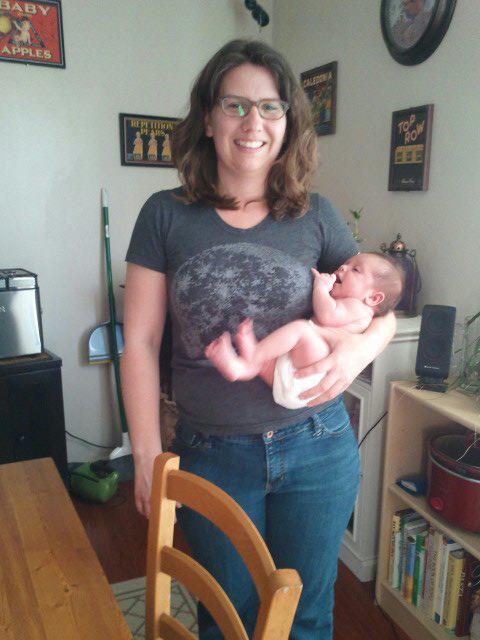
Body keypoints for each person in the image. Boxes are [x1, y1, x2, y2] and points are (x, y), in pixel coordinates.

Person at [122, 39, 396, 640]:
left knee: (307, 618)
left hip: (318, 446)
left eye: (271, 107)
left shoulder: (316, 214)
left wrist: (358, 349)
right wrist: (145, 456)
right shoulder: (164, 215)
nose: (254, 123)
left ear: (288, 122)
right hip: (212, 455)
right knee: (229, 622)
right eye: (235, 105)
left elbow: (380, 312)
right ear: (208, 118)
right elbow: (139, 341)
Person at [205, 252, 404, 409]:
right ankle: (246, 368)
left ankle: (253, 355)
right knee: (280, 351)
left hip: (315, 374)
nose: (343, 267)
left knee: (301, 329)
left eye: (356, 269)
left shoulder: (359, 308)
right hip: (300, 375)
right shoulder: (354, 305)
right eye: (347, 263)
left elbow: (327, 315)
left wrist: (320, 288)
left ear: (373, 298)